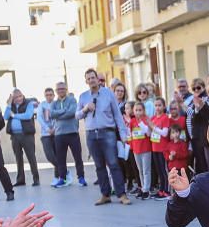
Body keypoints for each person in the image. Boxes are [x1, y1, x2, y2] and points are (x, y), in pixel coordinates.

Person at [77, 68, 131, 206]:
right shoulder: (83, 97)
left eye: (93, 77)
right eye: (88, 78)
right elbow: (77, 116)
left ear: (97, 79)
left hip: (107, 132)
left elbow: (117, 115)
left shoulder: (108, 94)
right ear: (86, 81)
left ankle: (121, 195)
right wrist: (85, 109)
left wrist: (123, 134)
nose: (91, 80)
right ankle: (105, 194)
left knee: (113, 164)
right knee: (99, 165)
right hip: (91, 134)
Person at [49, 82, 86, 188]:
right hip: (59, 134)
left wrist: (59, 114)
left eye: (62, 88)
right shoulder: (54, 103)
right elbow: (52, 114)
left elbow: (72, 112)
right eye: (58, 89)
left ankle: (81, 177)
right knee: (61, 158)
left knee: (77, 157)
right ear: (56, 91)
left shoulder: (72, 100)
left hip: (72, 133)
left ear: (66, 89)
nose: (60, 90)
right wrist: (64, 111)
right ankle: (62, 178)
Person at [4, 88, 39, 187]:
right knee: (18, 158)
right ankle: (20, 180)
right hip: (15, 136)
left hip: (27, 135)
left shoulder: (29, 103)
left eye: (20, 96)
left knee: (31, 157)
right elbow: (6, 117)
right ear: (12, 98)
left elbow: (28, 116)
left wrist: (14, 115)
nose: (19, 98)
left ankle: (36, 179)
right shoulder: (11, 105)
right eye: (16, 97)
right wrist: (9, 104)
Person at [129, 102, 153, 199]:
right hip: (136, 149)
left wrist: (141, 123)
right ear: (133, 111)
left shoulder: (146, 119)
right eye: (136, 110)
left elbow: (148, 133)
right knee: (140, 170)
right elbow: (131, 134)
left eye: (140, 110)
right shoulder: (132, 121)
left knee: (146, 170)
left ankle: (146, 190)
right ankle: (143, 188)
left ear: (143, 111)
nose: (138, 112)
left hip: (146, 149)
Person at [37, 87, 59, 185]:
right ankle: (64, 171)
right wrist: (48, 129)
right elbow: (40, 118)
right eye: (47, 95)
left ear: (54, 95)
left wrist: (54, 128)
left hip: (56, 133)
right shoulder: (42, 105)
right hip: (46, 134)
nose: (49, 97)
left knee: (57, 155)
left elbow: (58, 117)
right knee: (50, 156)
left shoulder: (57, 104)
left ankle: (57, 177)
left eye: (51, 95)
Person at [150, 98, 171, 199]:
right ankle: (161, 190)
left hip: (162, 148)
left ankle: (166, 191)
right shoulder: (153, 118)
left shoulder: (165, 118)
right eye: (156, 105)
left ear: (164, 106)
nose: (157, 108)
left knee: (163, 170)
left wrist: (153, 127)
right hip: (154, 147)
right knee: (158, 170)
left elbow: (164, 133)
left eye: (159, 105)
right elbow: (150, 133)